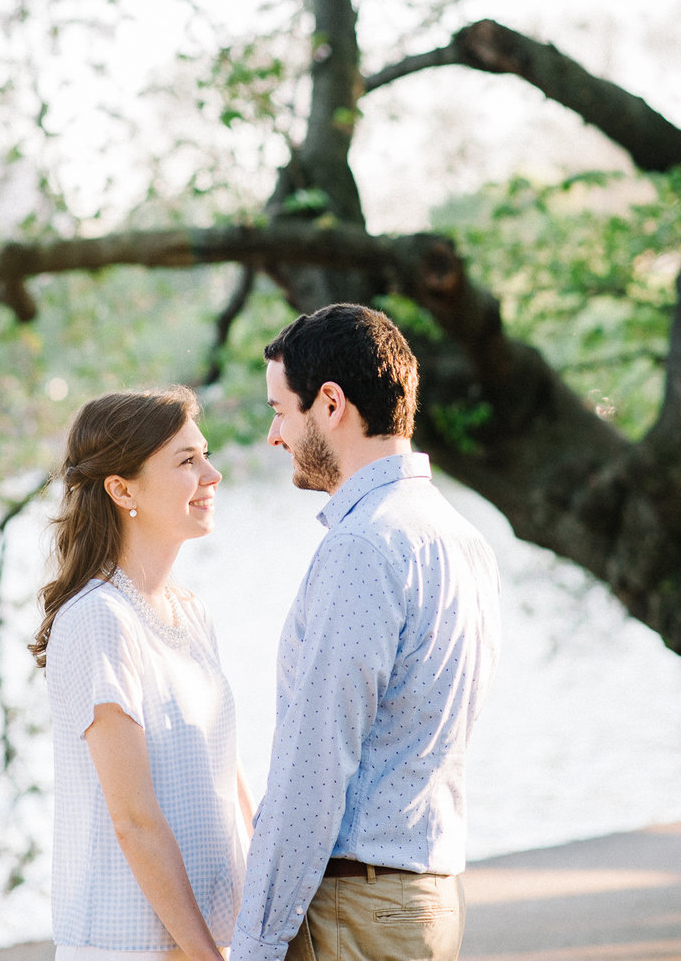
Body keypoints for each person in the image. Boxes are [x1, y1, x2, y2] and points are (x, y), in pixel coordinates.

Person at [231, 304, 502, 961]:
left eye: (279, 409)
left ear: (329, 403)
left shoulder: (365, 544)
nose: (274, 434)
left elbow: (314, 763)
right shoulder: (462, 538)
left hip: (355, 911)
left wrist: (256, 943)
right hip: (423, 900)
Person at [30, 386, 251, 961]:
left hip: (216, 937)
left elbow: (228, 781)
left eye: (205, 454)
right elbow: (134, 819)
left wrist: (261, 923)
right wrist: (206, 955)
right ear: (122, 488)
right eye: (186, 461)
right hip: (134, 946)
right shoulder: (98, 620)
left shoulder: (191, 612)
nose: (212, 474)